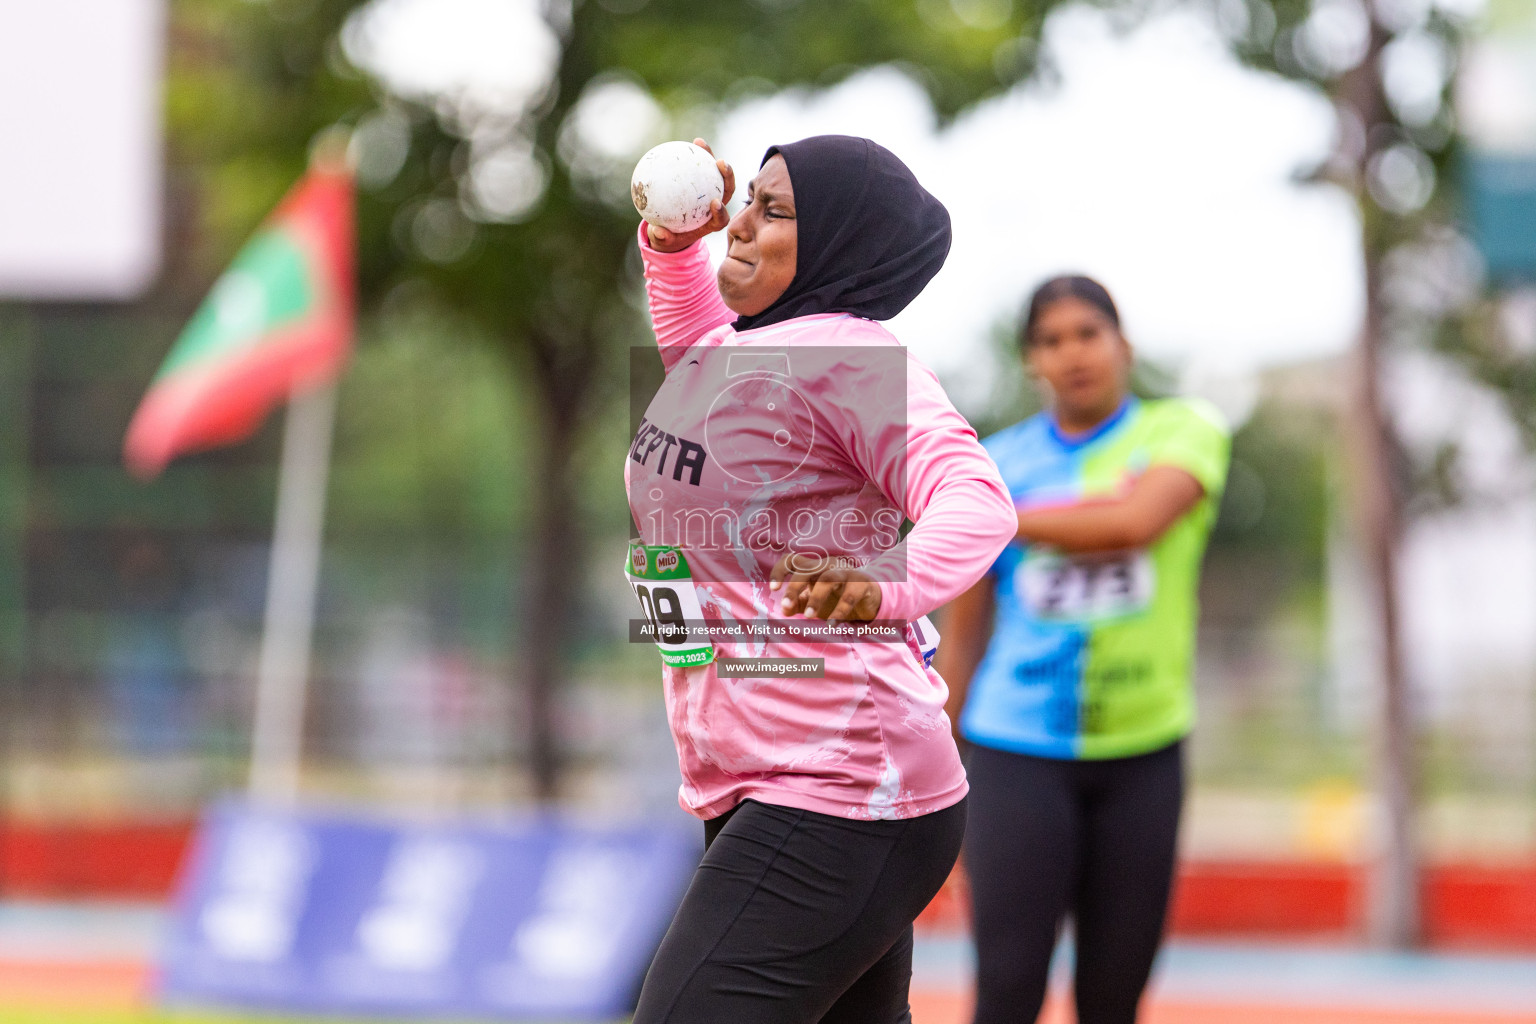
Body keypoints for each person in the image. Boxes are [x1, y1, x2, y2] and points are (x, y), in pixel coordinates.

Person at [625, 136, 1017, 1024]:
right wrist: (672, 242)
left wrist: (885, 584)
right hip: (766, 774)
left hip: (842, 786)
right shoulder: (736, 361)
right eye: (747, 200)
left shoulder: (847, 361)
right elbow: (691, 336)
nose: (742, 221)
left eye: (775, 210)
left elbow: (976, 498)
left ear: (841, 244)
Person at [934, 276, 1230, 1024]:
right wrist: (941, 756)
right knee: (1006, 990)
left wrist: (998, 519)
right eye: (1051, 340)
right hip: (1016, 750)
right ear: (1031, 360)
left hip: (1143, 751)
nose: (1072, 354)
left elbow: (1135, 522)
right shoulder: (992, 462)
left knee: (1112, 996)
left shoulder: (1183, 431)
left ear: (1123, 345)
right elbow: (965, 631)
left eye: (1087, 333)